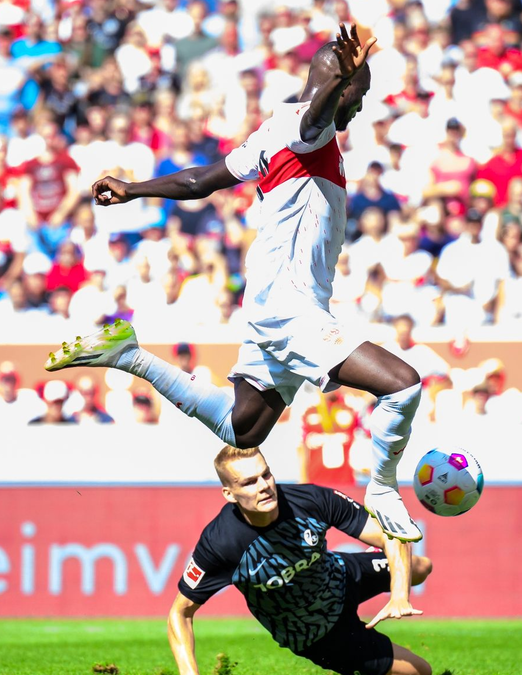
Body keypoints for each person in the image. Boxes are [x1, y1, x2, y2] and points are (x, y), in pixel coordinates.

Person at [45, 26, 423, 544]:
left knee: (242, 430)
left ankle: (130, 356)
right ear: (340, 85)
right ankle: (382, 489)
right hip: (290, 310)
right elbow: (315, 116)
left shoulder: (272, 133)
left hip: (275, 305)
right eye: (360, 93)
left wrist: (134, 188)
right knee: (403, 385)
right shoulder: (306, 129)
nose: (360, 107)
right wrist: (338, 81)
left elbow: (199, 181)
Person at [168, 445, 432, 675]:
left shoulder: (310, 500)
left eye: (266, 474)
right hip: (315, 631)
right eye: (249, 482)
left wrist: (399, 595)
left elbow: (392, 535)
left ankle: (375, 566)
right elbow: (180, 613)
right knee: (421, 671)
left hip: (340, 575)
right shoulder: (221, 542)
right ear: (229, 493)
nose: (264, 486)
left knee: (421, 567)